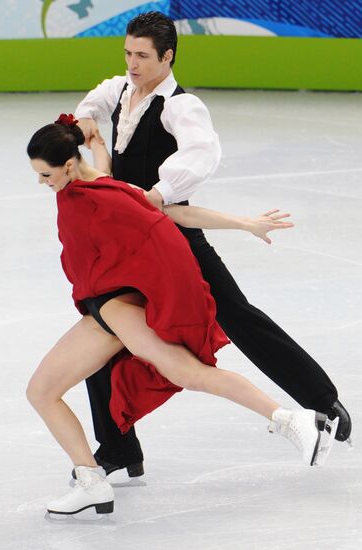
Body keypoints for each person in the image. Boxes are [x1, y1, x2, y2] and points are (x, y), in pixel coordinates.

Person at [73, 11, 351, 477]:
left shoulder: (181, 107)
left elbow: (202, 152)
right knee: (104, 331)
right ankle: (119, 448)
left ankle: (322, 401)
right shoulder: (120, 91)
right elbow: (92, 104)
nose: (133, 63)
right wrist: (82, 124)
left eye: (143, 56)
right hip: (127, 246)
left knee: (238, 315)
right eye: (127, 53)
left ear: (168, 56)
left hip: (174, 236)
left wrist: (158, 193)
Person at [26, 116, 337, 516]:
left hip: (117, 310)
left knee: (189, 373)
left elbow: (175, 215)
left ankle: (292, 421)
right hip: (103, 312)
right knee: (41, 391)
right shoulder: (93, 185)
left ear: (69, 165)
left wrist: (245, 223)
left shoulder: (110, 196)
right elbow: (99, 170)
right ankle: (90, 482)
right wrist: (99, 142)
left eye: (45, 174)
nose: (42, 183)